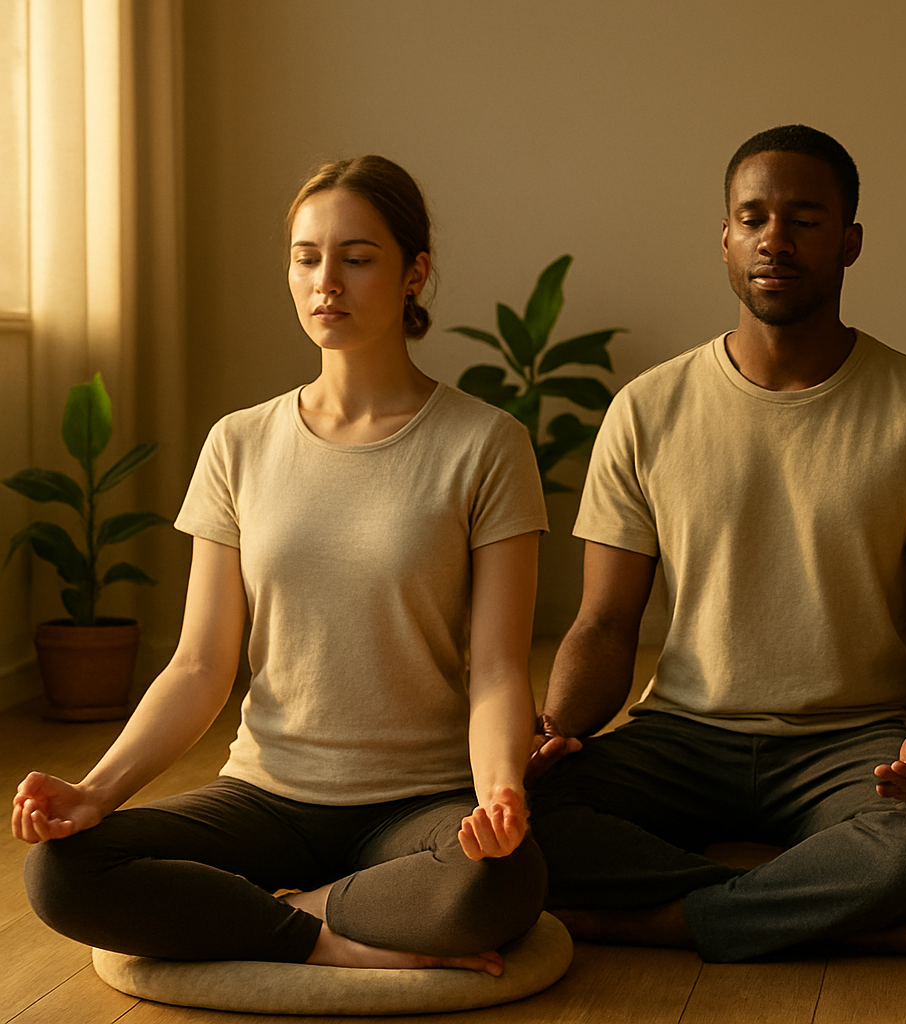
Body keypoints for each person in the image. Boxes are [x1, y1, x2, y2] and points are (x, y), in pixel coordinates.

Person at [13, 155, 548, 975]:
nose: (325, 280)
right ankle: (329, 934)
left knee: (502, 880)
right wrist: (96, 793)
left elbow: (500, 670)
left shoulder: (486, 445)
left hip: (417, 804)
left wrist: (500, 794)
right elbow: (198, 665)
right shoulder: (239, 443)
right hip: (265, 797)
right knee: (61, 869)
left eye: (357, 258)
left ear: (415, 273)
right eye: (306, 257)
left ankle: (279, 912)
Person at [527, 124, 906, 963]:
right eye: (752, 218)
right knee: (516, 813)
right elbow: (605, 625)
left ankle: (654, 922)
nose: (775, 240)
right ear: (724, 239)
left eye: (805, 219)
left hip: (854, 742)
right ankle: (795, 910)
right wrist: (551, 731)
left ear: (851, 242)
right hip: (682, 732)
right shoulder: (647, 409)